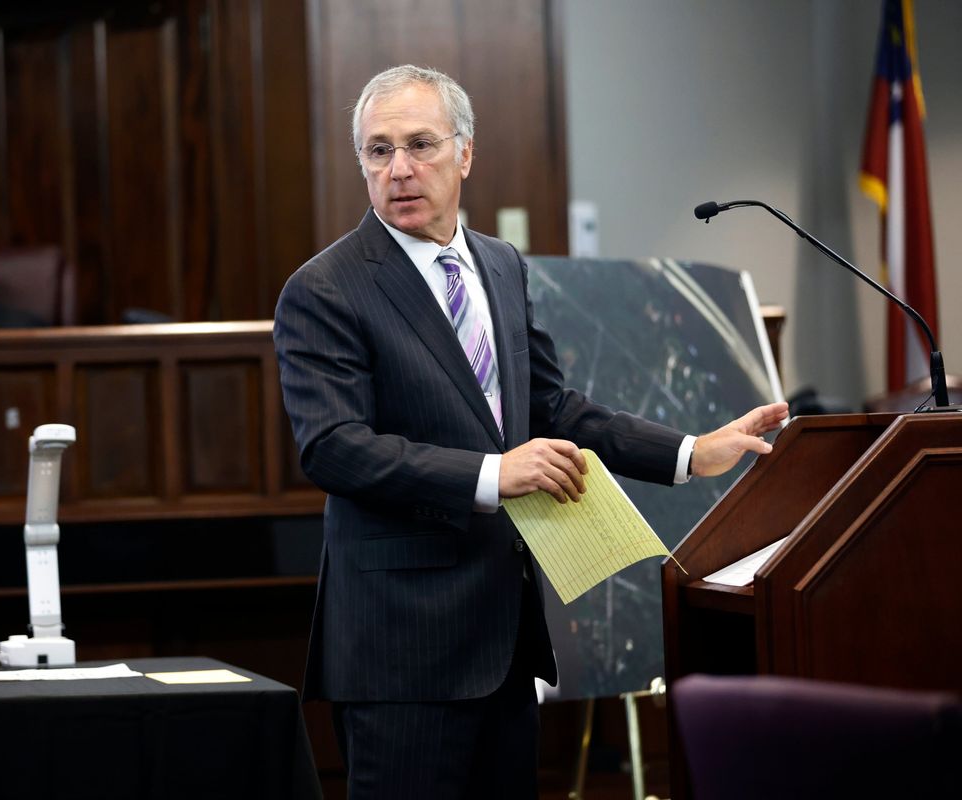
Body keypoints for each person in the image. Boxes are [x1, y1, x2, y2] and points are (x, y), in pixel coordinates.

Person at [272, 64, 788, 798]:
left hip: (505, 643)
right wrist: (493, 474)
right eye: (378, 151)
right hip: (400, 652)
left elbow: (556, 409)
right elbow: (333, 447)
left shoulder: (500, 265)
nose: (400, 169)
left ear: (467, 153)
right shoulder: (324, 288)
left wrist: (690, 452)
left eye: (420, 144)